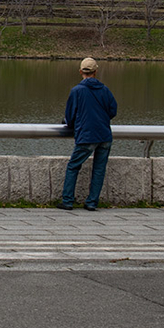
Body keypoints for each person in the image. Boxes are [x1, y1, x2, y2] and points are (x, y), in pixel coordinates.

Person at [59, 57, 117, 212]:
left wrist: (73, 123)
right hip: (104, 135)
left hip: (87, 135)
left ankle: (68, 200)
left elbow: (70, 116)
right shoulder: (105, 90)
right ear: (96, 72)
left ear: (80, 72)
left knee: (73, 166)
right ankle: (92, 202)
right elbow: (113, 111)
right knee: (99, 169)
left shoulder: (77, 91)